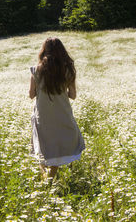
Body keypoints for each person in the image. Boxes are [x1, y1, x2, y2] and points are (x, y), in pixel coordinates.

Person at [29, 37, 85, 179]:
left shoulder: (36, 70)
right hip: (62, 114)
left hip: (43, 115)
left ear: (44, 50)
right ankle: (49, 178)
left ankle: (47, 178)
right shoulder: (68, 71)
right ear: (62, 51)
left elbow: (31, 95)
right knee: (61, 143)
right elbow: (72, 95)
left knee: (43, 145)